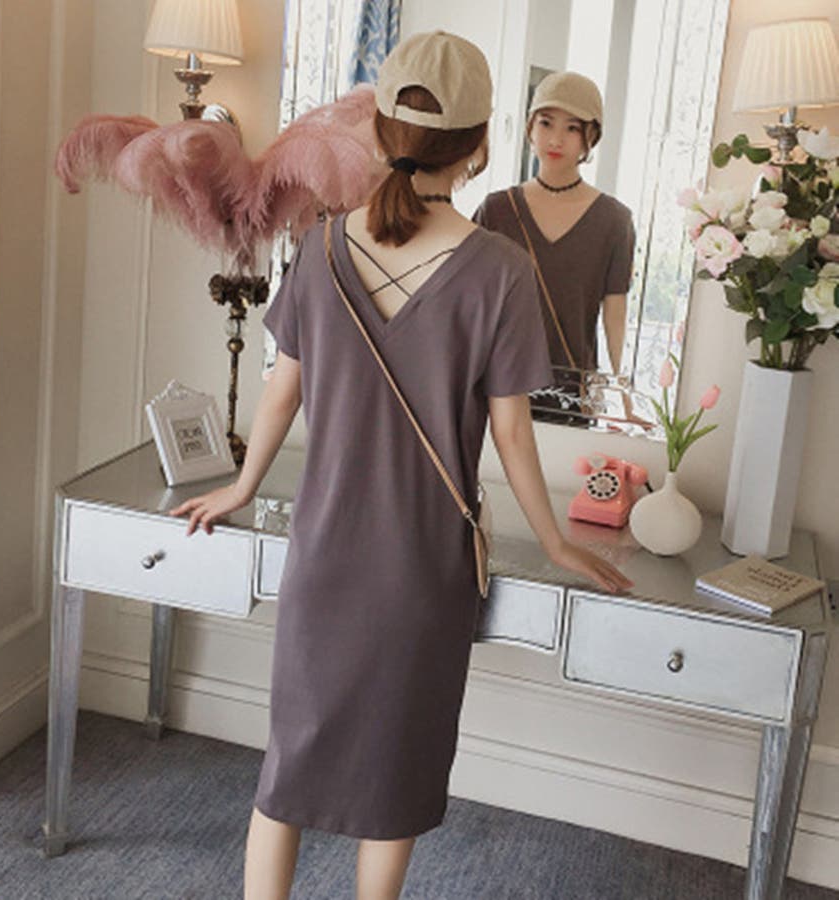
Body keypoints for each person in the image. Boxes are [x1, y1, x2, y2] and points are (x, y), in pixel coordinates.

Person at [170, 32, 632, 900]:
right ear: (481, 144)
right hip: (424, 570)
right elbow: (514, 436)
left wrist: (241, 486)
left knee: (289, 765)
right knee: (398, 772)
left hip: (323, 555)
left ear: (382, 132)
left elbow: (280, 394)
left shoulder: (319, 248)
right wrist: (556, 543)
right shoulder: (501, 270)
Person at [473, 71, 635, 394]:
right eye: (546, 123)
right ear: (530, 127)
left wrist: (622, 390)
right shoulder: (497, 210)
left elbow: (615, 312)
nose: (556, 139)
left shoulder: (614, 221)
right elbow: (470, 299)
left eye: (572, 128)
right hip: (498, 388)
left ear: (591, 136)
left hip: (571, 395)